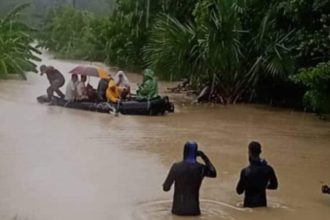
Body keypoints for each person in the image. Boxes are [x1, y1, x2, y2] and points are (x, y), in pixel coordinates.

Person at [163, 141, 217, 216]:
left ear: (184, 152)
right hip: (194, 211)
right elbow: (213, 173)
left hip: (178, 211)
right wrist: (203, 156)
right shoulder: (201, 168)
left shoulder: (176, 167)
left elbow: (166, 188)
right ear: (196, 153)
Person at [236, 141, 278, 208]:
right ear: (260, 152)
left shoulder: (245, 172)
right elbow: (274, 186)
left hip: (248, 207)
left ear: (249, 153)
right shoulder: (268, 169)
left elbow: (239, 191)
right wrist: (263, 185)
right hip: (262, 205)